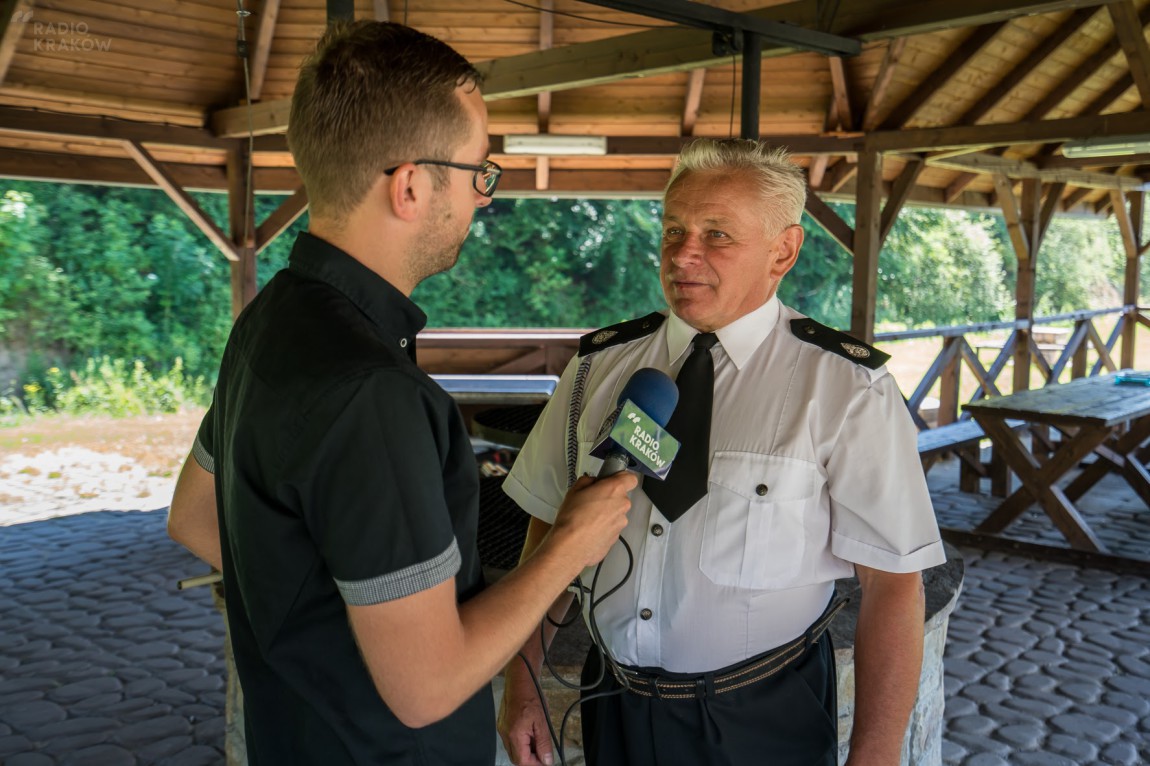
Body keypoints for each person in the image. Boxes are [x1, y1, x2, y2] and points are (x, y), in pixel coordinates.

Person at [166, 21, 637, 765]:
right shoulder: (375, 397)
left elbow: (194, 519)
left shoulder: (271, 320)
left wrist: (352, 612)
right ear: (412, 185)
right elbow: (426, 688)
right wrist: (570, 544)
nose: (484, 199)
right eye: (480, 172)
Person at [497, 138, 946, 766]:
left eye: (717, 235)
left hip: (763, 715)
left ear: (783, 250)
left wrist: (876, 753)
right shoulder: (598, 367)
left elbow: (895, 584)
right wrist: (522, 684)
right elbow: (548, 526)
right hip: (612, 702)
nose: (684, 253)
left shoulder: (846, 388)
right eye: (675, 229)